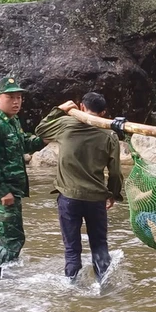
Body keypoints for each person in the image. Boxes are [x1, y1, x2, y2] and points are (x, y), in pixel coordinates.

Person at [35, 93, 122, 281]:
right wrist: (113, 194)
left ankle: (71, 287)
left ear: (81, 107)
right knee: (100, 246)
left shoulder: (65, 124)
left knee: (72, 248)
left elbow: (40, 130)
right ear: (104, 112)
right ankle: (103, 288)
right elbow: (115, 172)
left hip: (68, 198)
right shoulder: (110, 134)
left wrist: (59, 110)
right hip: (96, 199)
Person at [0, 76, 44, 265]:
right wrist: (3, 191)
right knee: (12, 240)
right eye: (11, 97)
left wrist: (43, 140)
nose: (16, 102)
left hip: (11, 191)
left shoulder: (12, 121)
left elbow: (23, 144)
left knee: (6, 238)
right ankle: (3, 283)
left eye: (19, 98)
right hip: (0, 193)